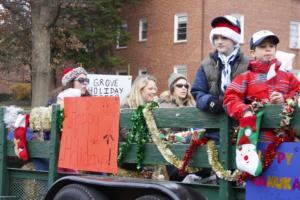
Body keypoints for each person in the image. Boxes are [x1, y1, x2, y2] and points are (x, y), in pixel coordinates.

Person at [223, 30, 299, 176]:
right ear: (253, 53)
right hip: (257, 140)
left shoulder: (287, 77)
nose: (268, 49)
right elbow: (230, 98)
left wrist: (285, 98)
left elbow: (298, 92)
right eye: (263, 46)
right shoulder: (246, 77)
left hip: (286, 140)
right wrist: (244, 110)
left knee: (285, 180)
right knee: (261, 181)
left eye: (271, 46)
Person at [191, 15, 250, 143]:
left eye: (224, 37)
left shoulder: (249, 63)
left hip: (242, 125)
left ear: (234, 39)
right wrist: (209, 102)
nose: (219, 41)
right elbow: (197, 91)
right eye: (216, 38)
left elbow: (255, 93)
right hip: (214, 126)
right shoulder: (206, 64)